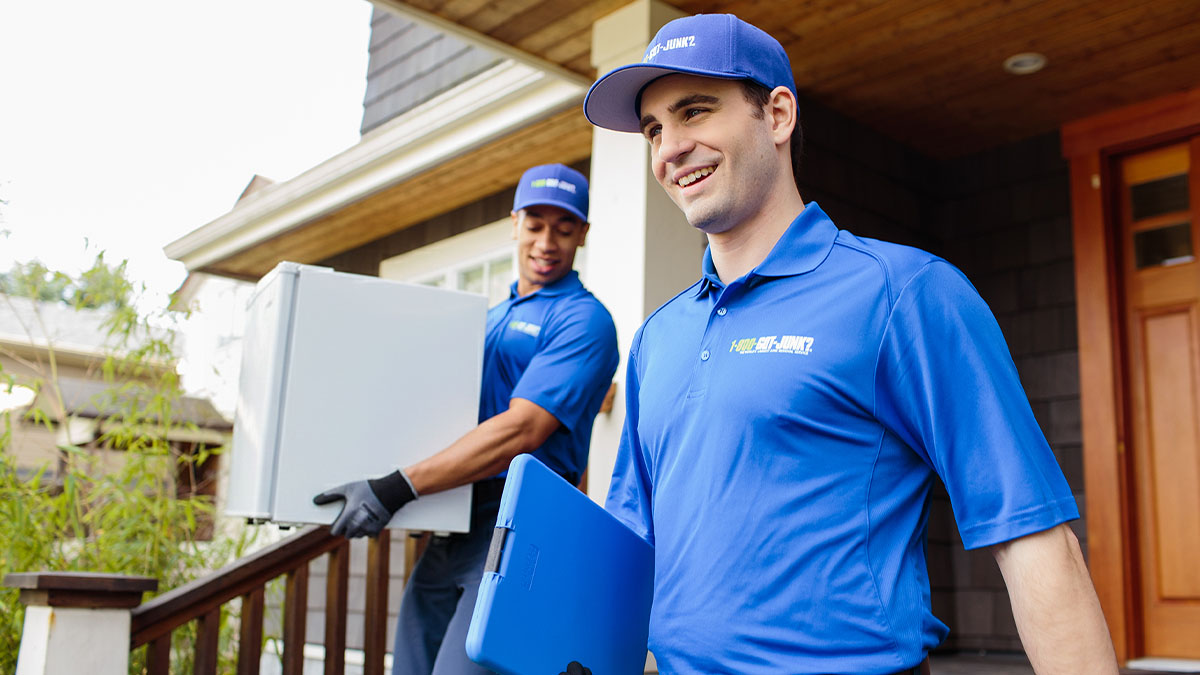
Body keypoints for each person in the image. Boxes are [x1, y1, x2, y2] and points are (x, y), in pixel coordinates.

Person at [581, 14, 1118, 675]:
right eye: (654, 129)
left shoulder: (905, 293)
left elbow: (1033, 537)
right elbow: (629, 542)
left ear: (778, 115)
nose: (670, 148)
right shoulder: (657, 338)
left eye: (695, 111)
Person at [313, 163, 619, 675]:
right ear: (515, 224)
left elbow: (523, 430)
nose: (547, 243)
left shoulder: (584, 320)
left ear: (582, 234)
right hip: (454, 520)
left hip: (519, 523)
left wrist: (397, 487)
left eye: (564, 229)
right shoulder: (491, 317)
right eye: (536, 225)